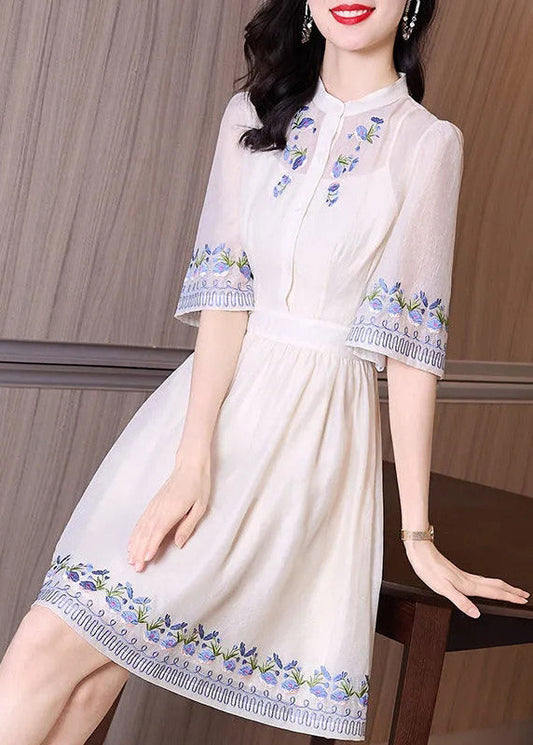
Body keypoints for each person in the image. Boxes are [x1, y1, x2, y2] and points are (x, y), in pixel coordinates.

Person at [0, 0, 529, 742]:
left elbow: (409, 348)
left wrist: (417, 534)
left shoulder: (427, 144)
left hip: (303, 440)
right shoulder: (250, 116)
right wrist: (192, 461)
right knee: (80, 667)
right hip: (198, 418)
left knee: (66, 656)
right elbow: (226, 301)